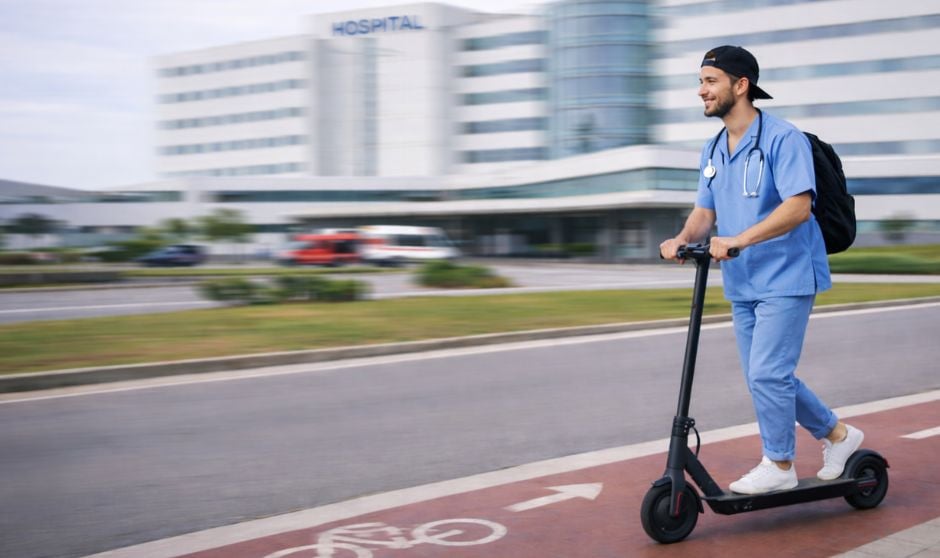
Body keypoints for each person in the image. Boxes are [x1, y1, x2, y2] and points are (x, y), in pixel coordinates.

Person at [659, 45, 864, 495]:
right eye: (700, 82)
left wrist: (739, 240)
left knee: (768, 374)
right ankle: (839, 436)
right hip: (744, 280)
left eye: (710, 81)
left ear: (740, 84)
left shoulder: (782, 139)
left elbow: (798, 207)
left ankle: (780, 463)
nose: (701, 91)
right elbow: (704, 212)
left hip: (788, 274)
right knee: (767, 376)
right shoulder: (714, 147)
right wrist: (681, 239)